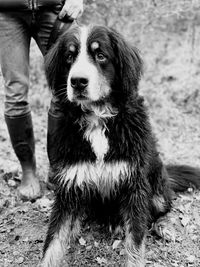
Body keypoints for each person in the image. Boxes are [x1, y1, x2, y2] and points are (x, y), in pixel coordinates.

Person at [0, 0, 84, 200]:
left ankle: (58, 167)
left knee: (66, 89)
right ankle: (28, 172)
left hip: (55, 9)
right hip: (7, 12)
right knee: (15, 93)